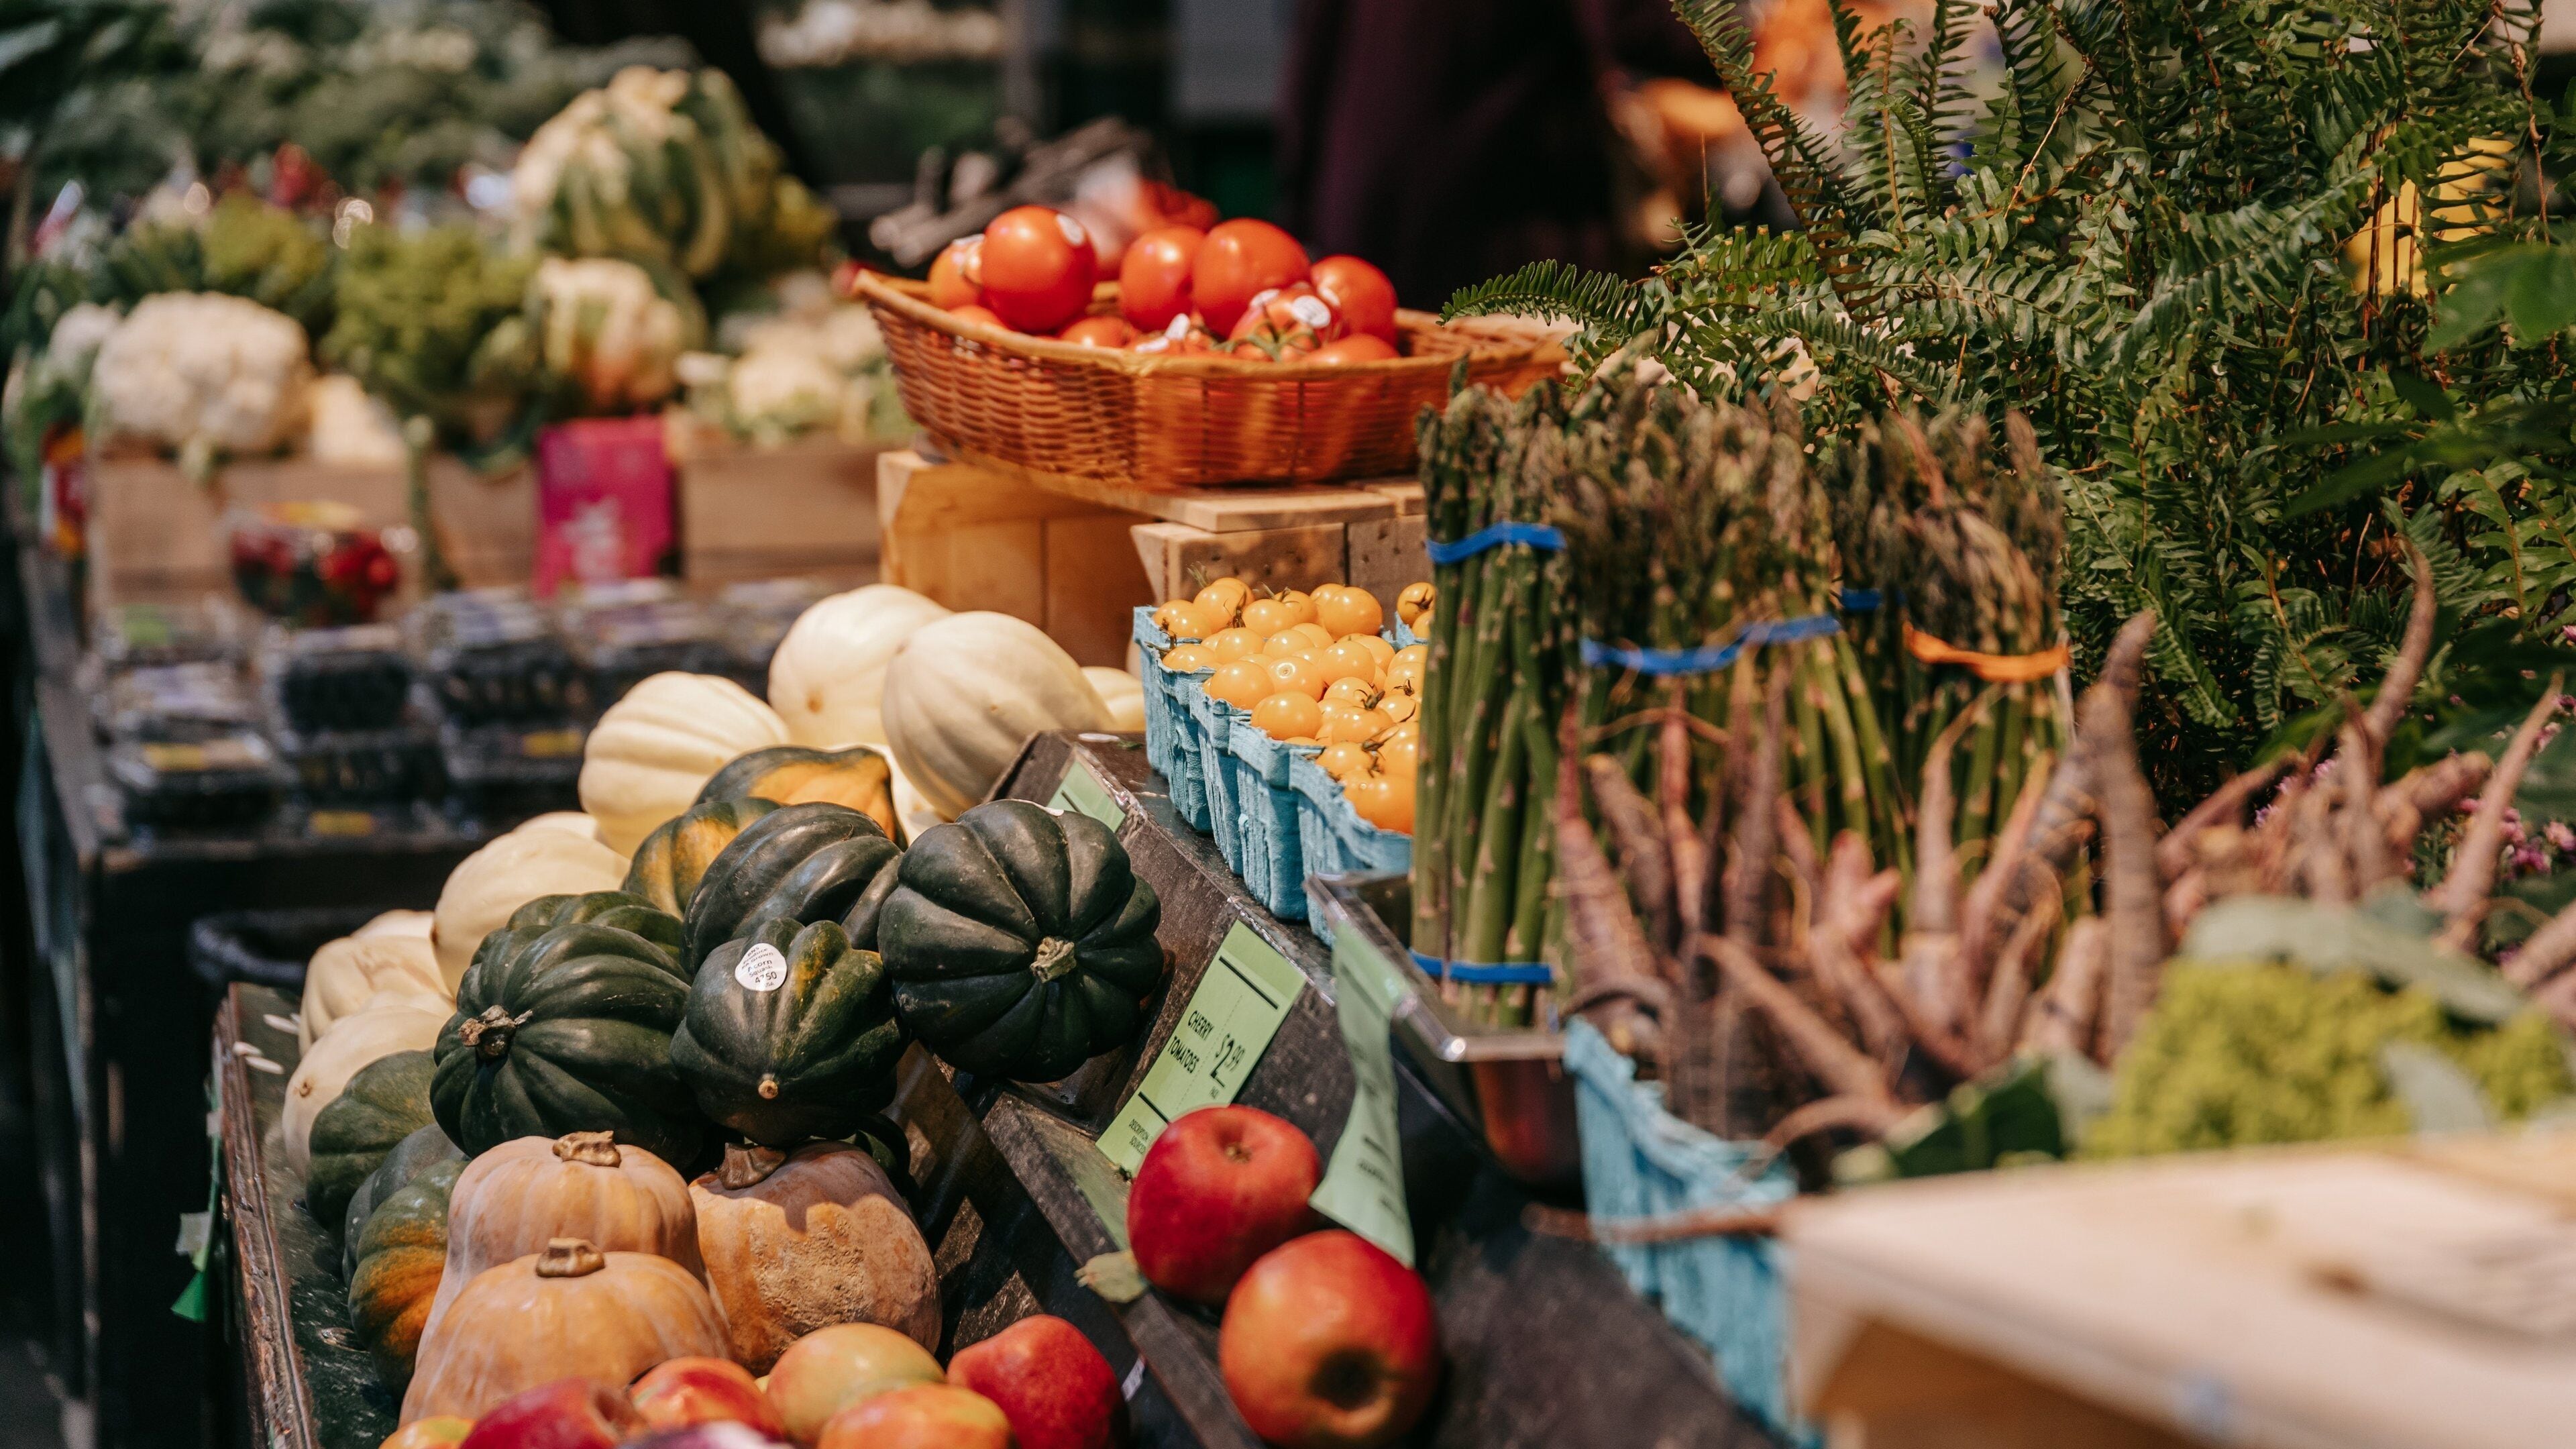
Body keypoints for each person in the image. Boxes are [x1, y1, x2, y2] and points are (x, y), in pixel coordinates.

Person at [1275, 0, 1737, 308]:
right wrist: (1758, 34)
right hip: (1502, 230)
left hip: (1361, 224)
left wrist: (1304, 216)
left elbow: (1310, 68)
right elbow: (1636, 24)